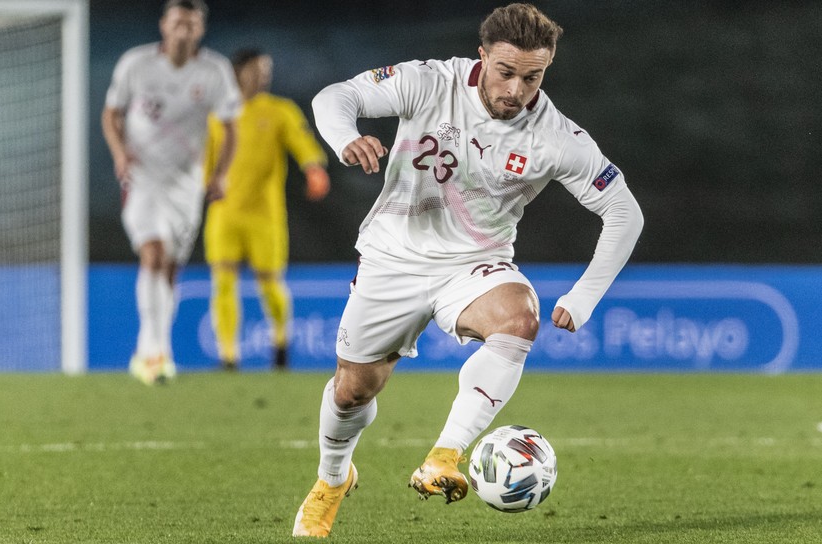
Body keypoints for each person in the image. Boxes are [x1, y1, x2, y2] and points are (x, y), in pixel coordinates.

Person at [292, 3, 644, 537]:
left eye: (533, 77)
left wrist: (586, 294)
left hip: (474, 265)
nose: (516, 90)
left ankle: (444, 456)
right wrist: (345, 139)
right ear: (482, 57)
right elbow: (334, 96)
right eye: (506, 72)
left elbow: (624, 211)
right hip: (393, 257)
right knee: (353, 392)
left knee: (519, 318)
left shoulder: (556, 136)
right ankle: (333, 478)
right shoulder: (431, 82)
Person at [101, 0, 240, 385]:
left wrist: (221, 174)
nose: (184, 31)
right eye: (178, 23)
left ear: (201, 29)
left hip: (185, 182)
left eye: (191, 25)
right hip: (142, 176)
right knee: (154, 253)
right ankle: (154, 351)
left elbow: (230, 127)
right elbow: (111, 113)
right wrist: (119, 152)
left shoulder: (214, 71)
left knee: (171, 267)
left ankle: (152, 350)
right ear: (164, 25)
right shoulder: (136, 64)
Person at [202, 49, 330, 371]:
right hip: (224, 213)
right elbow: (204, 159)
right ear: (238, 72)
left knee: (270, 284)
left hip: (265, 215)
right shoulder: (217, 114)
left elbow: (302, 143)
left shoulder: (279, 111)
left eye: (267, 69)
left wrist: (314, 168)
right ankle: (228, 356)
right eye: (258, 69)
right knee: (223, 283)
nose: (264, 75)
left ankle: (280, 342)